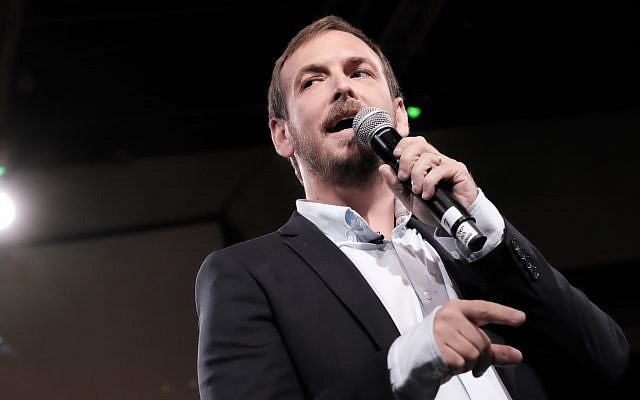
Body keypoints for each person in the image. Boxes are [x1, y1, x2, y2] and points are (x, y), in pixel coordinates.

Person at [195, 15, 629, 400]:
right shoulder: (244, 275)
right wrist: (405, 363)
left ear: (399, 116)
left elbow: (606, 358)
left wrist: (481, 223)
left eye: (359, 72)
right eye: (312, 81)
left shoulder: (466, 247)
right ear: (282, 135)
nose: (342, 86)